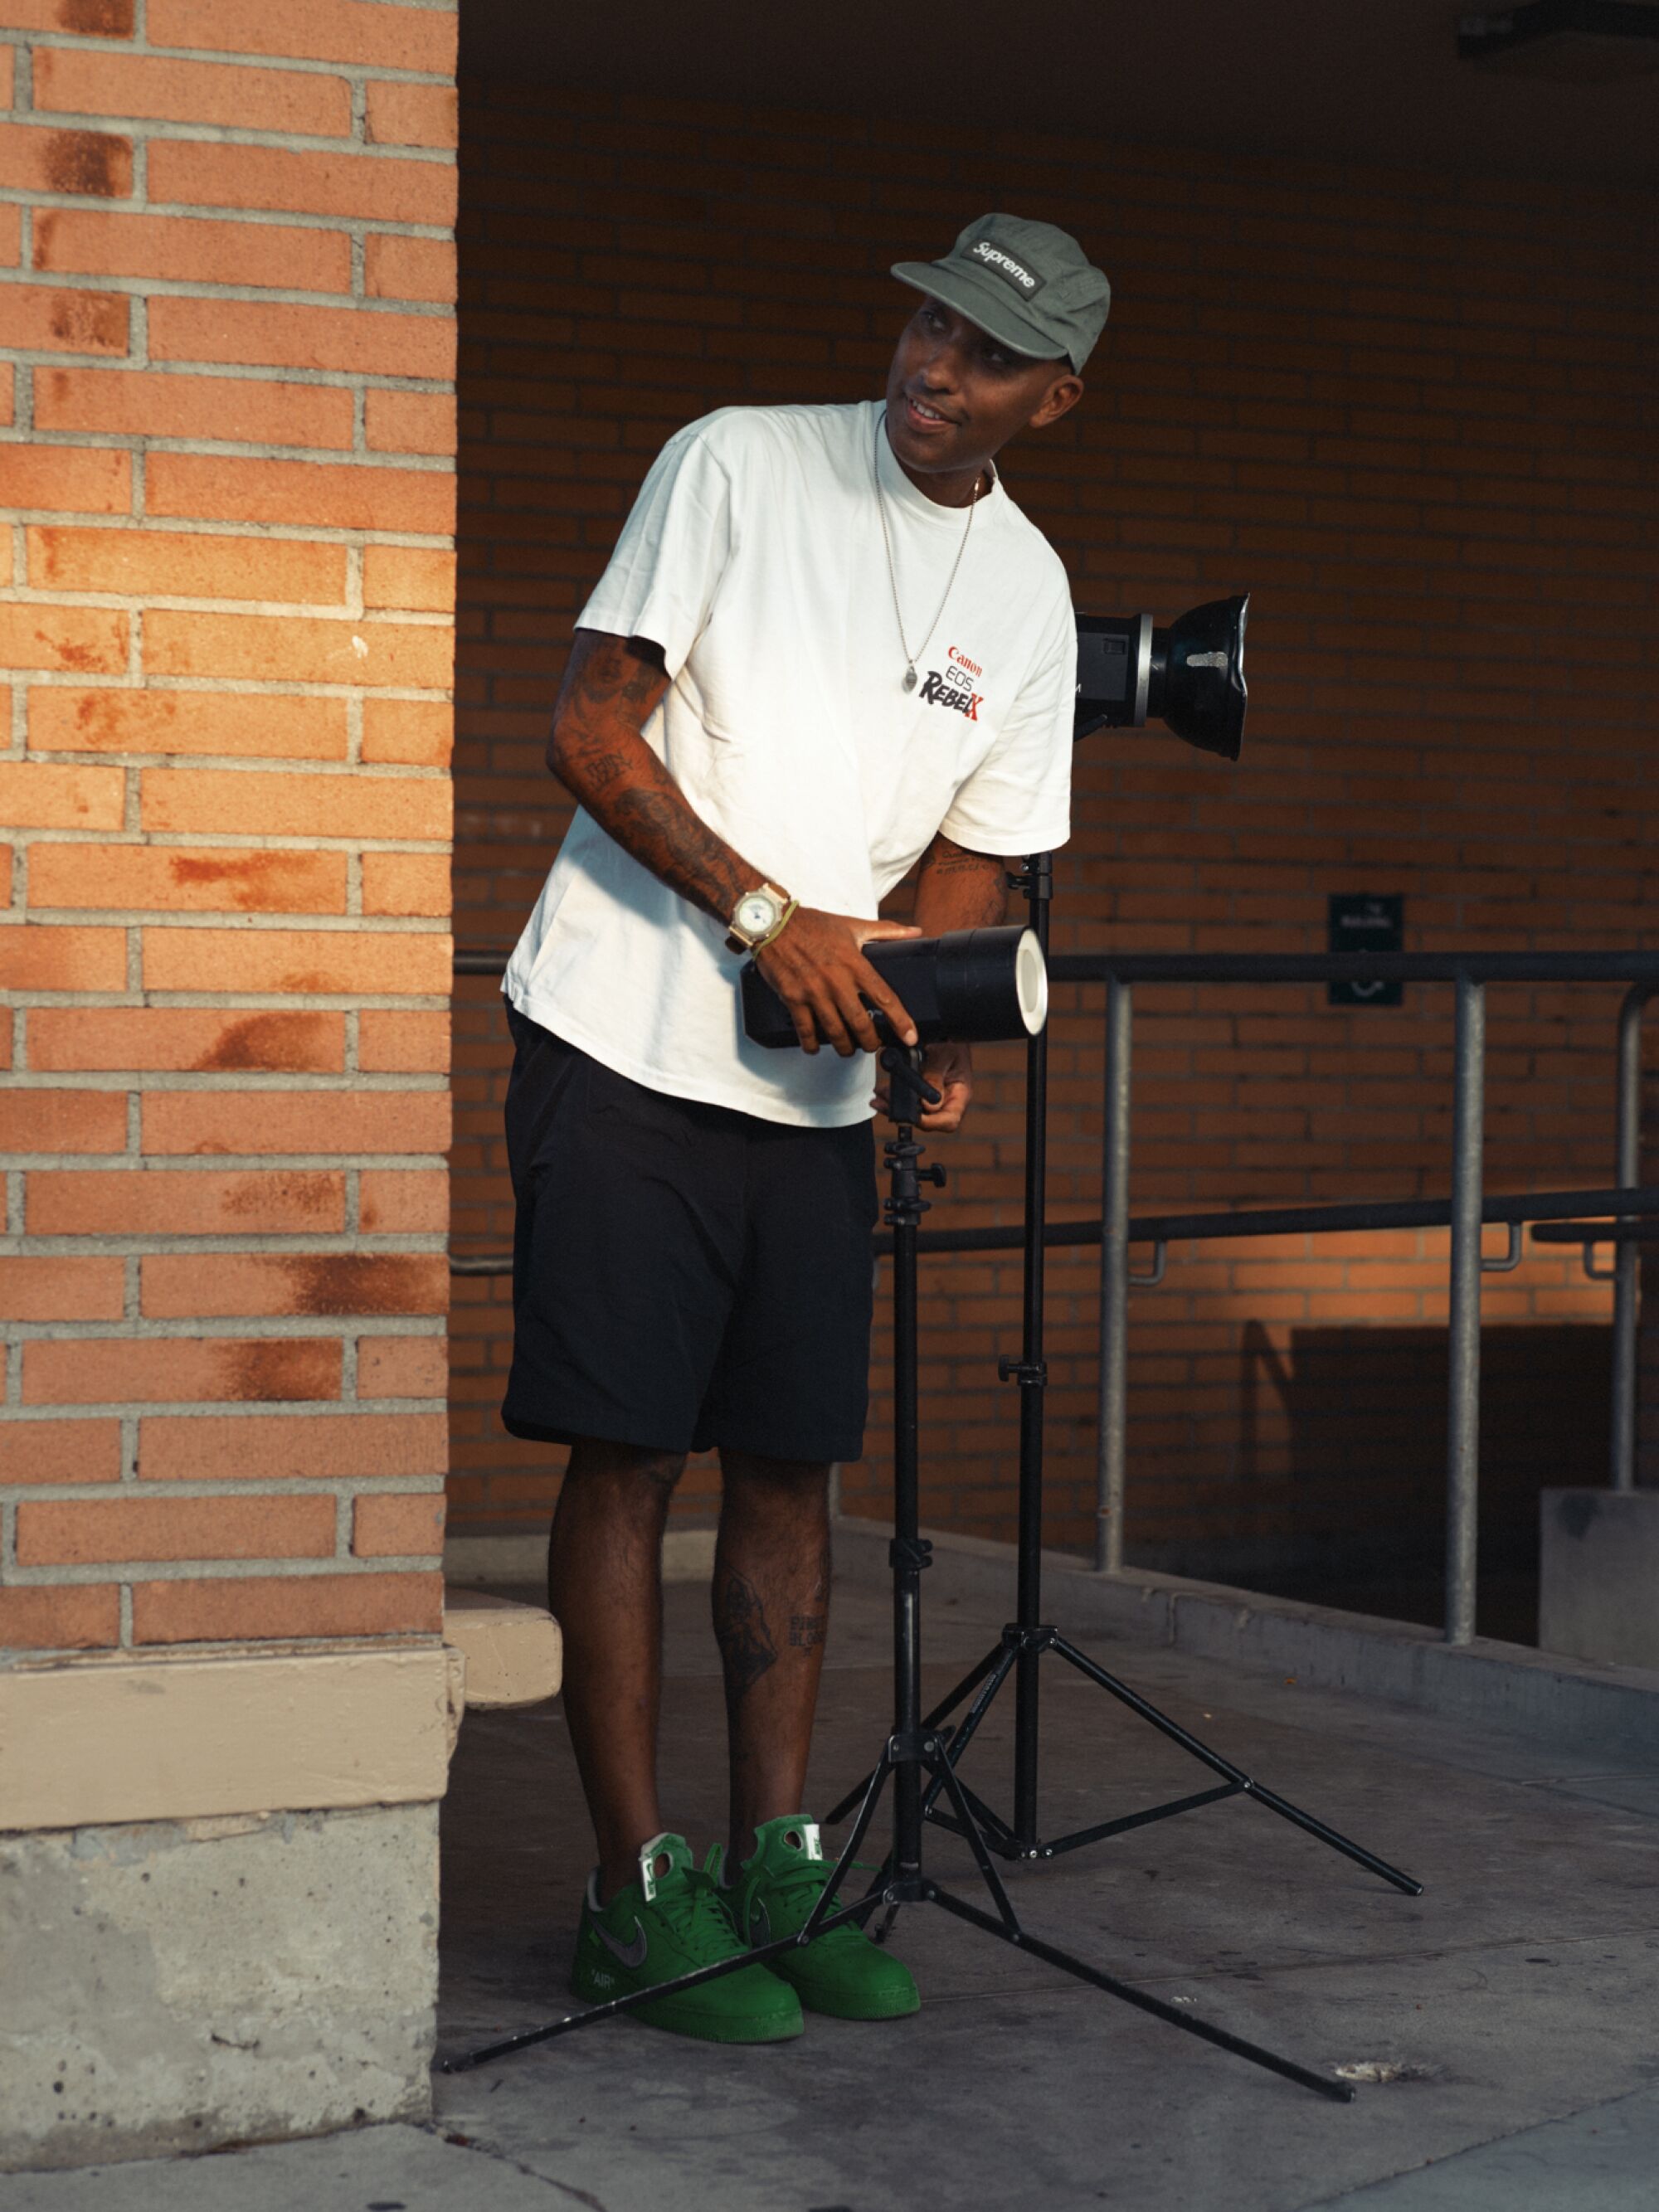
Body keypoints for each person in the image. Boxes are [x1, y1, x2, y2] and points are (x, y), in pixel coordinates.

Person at [501, 213, 1111, 2043]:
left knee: (790, 1463)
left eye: (985, 354)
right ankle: (634, 1893)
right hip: (623, 1029)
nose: (935, 364)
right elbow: (590, 728)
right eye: (928, 320)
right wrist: (772, 917)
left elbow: (975, 847)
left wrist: (925, 1013)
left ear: (1050, 398)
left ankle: (779, 1870)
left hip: (809, 1076)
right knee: (626, 1454)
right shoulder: (738, 457)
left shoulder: (1024, 590)